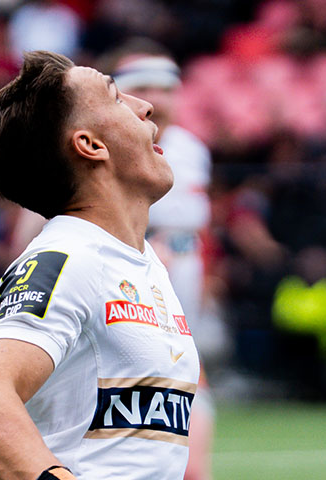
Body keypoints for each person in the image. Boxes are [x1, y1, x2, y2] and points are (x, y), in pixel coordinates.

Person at [0, 51, 200, 480]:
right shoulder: (65, 258)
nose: (146, 106)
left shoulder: (142, 261)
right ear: (90, 145)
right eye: (116, 97)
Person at [112, 52, 214, 480]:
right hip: (129, 277)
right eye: (144, 88)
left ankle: (192, 466)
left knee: (185, 368)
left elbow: (199, 227)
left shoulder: (191, 149)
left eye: (167, 89)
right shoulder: (108, 147)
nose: (158, 99)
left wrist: (207, 278)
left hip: (182, 275)